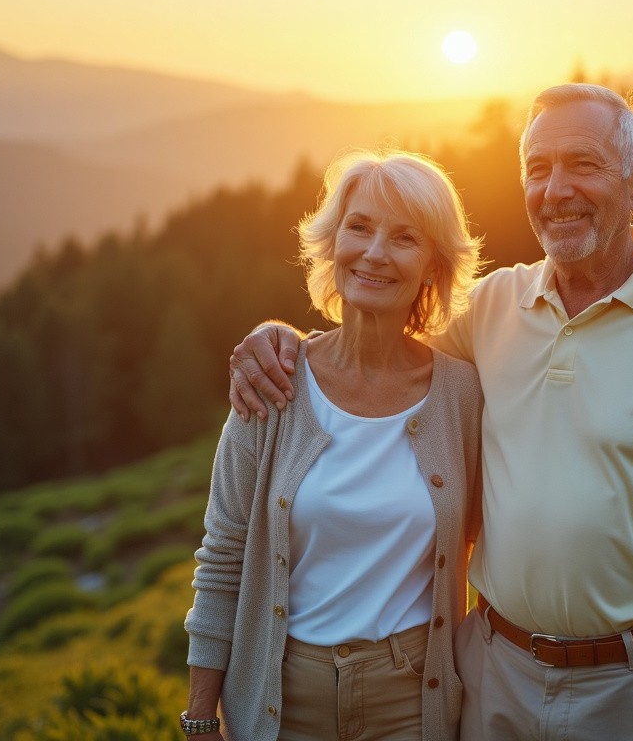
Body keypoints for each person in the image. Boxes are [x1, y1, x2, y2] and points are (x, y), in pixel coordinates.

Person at [228, 83, 633, 740]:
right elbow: (374, 356)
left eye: (583, 165)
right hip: (492, 676)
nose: (555, 190)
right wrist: (282, 342)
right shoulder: (492, 307)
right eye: (537, 169)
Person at [183, 149, 485, 740]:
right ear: (333, 242)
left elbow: (508, 519)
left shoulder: (462, 396)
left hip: (413, 700)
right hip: (281, 697)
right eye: (359, 227)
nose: (374, 253)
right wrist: (199, 718)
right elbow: (223, 557)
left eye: (404, 238)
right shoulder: (272, 381)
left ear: (432, 266)